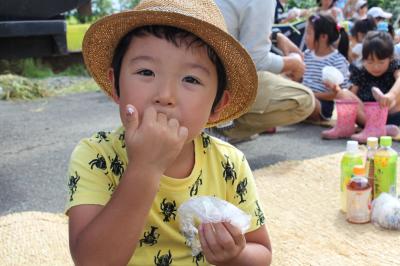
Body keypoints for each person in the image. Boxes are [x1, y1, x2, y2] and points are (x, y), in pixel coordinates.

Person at [65, 0, 272, 265]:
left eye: (191, 79)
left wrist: (235, 254)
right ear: (116, 86)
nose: (165, 96)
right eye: (146, 72)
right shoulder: (96, 156)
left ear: (218, 106)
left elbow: (262, 253)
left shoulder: (229, 164)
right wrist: (146, 167)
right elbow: (92, 261)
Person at [210, 0, 314, 143]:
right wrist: (293, 64)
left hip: (183, 73)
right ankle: (220, 129)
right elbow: (255, 60)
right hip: (212, 83)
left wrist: (276, 36)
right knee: (305, 100)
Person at [347, 31, 400, 142]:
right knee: (343, 93)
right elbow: (352, 95)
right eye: (370, 62)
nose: (375, 67)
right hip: (366, 117)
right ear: (364, 59)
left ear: (390, 58)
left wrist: (391, 96)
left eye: (381, 62)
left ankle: (378, 129)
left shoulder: (394, 66)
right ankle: (377, 129)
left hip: (390, 113)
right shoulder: (359, 69)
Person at [302, 14, 353, 122]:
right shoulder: (306, 55)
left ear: (323, 37)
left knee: (305, 101)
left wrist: (310, 95)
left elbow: (339, 93)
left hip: (322, 105)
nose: (305, 37)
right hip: (304, 97)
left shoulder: (337, 60)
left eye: (309, 33)